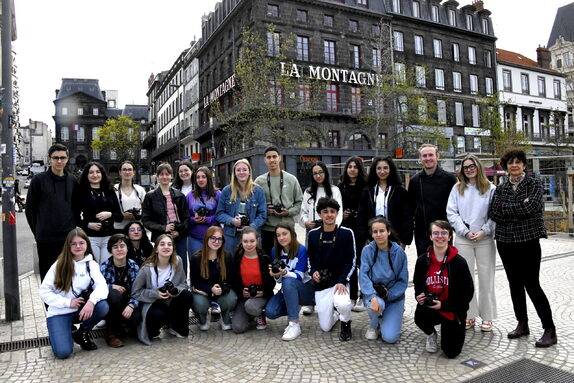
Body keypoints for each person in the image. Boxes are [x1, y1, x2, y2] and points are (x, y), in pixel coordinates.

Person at [488, 149, 557, 347]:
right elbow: (495, 213)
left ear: (524, 165)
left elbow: (531, 208)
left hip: (528, 241)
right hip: (506, 242)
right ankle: (522, 323)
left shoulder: (533, 184)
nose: (514, 165)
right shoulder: (500, 188)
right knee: (514, 284)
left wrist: (507, 208)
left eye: (518, 162)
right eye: (510, 162)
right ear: (506, 166)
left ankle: (549, 329)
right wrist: (517, 207)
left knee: (532, 284)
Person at [39, 228, 109, 359]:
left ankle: (82, 332)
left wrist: (91, 302)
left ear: (87, 244)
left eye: (81, 243)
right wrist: (67, 302)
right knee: (63, 352)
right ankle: (60, 332)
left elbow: (102, 286)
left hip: (81, 310)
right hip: (60, 311)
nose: (78, 246)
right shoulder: (59, 265)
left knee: (102, 306)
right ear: (68, 246)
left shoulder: (91, 264)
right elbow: (44, 292)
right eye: (74, 243)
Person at [447, 154, 497, 332]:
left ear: (478, 167)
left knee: (486, 277)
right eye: (465, 167)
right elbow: (452, 213)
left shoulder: (490, 189)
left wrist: (484, 231)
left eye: (472, 166)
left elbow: (494, 214)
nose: (469, 169)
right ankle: (469, 314)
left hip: (485, 238)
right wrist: (465, 232)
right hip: (464, 238)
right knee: (465, 279)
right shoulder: (457, 189)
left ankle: (488, 316)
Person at [413, 220, 473, 358]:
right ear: (430, 236)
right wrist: (419, 295)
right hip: (431, 307)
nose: (440, 236)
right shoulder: (423, 260)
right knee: (420, 315)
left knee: (451, 352)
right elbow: (417, 284)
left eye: (444, 233)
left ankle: (451, 330)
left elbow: (467, 294)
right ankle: (431, 333)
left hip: (452, 309)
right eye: (436, 233)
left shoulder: (459, 262)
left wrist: (445, 305)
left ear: (450, 237)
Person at [26, 143, 78, 281]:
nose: (59, 161)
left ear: (67, 159)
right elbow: (30, 209)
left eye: (62, 157)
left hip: (67, 238)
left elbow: (76, 208)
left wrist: (73, 228)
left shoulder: (72, 180)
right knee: (48, 277)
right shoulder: (38, 180)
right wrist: (38, 232)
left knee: (68, 275)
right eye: (56, 158)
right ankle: (49, 304)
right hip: (45, 239)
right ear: (49, 159)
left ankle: (67, 303)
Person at [307, 197, 355, 341]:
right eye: (325, 211)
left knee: (344, 304)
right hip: (321, 284)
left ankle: (345, 322)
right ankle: (335, 313)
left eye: (332, 211)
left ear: (337, 213)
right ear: (319, 214)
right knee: (326, 327)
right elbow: (310, 259)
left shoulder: (347, 233)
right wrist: (313, 271)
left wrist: (342, 281)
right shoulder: (313, 234)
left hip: (340, 282)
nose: (329, 215)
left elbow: (351, 261)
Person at [131, 234, 193, 345]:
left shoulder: (177, 262)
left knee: (187, 295)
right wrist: (155, 293)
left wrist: (175, 291)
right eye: (162, 244)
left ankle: (176, 327)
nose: (166, 247)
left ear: (173, 248)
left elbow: (183, 284)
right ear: (156, 249)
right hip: (152, 302)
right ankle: (154, 329)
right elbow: (135, 292)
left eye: (169, 244)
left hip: (170, 300)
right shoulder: (146, 269)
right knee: (157, 317)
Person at [360, 217, 408, 343]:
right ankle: (374, 325)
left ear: (389, 232)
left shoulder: (399, 253)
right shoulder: (367, 250)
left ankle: (394, 313)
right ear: (372, 234)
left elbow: (403, 281)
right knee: (377, 305)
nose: (379, 234)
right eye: (375, 232)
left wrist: (389, 294)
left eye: (382, 231)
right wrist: (372, 296)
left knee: (390, 338)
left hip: (394, 296)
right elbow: (363, 276)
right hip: (375, 295)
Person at [265, 222, 315, 341]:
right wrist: (275, 275)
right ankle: (293, 306)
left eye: (284, 234)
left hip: (306, 289)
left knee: (288, 281)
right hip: (288, 288)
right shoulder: (275, 251)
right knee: (270, 312)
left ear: (292, 234)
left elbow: (299, 276)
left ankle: (294, 324)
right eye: (278, 235)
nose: (281, 238)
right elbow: (279, 280)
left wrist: (284, 273)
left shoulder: (301, 249)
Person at [408, 144, 457, 255]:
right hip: (422, 234)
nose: (428, 158)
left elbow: (456, 206)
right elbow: (410, 208)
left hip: (443, 233)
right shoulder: (414, 181)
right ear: (420, 159)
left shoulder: (449, 179)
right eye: (424, 156)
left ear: (437, 156)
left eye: (431, 155)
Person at [254, 146, 303, 257]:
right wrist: (265, 210)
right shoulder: (259, 181)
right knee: (268, 263)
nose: (272, 160)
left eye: (274, 156)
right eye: (269, 157)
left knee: (289, 261)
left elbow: (300, 203)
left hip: (287, 229)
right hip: (267, 230)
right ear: (264, 160)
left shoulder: (291, 179)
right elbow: (253, 206)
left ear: (280, 158)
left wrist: (288, 212)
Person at [142, 163, 190, 275]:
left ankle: (181, 288)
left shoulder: (179, 195)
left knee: (181, 266)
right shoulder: (150, 196)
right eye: (161, 174)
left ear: (172, 176)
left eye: (167, 174)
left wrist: (179, 231)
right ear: (157, 176)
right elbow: (146, 220)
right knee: (163, 267)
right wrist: (164, 228)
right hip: (160, 238)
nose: (164, 177)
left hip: (179, 237)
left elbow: (186, 218)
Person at [73, 161, 123, 264]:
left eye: (98, 172)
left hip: (108, 237)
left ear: (102, 174)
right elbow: (74, 217)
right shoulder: (81, 192)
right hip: (90, 237)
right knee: (93, 267)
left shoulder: (110, 190)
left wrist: (110, 214)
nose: (95, 175)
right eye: (91, 172)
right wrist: (87, 224)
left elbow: (119, 216)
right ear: (86, 175)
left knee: (105, 268)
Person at [189, 226, 238, 331]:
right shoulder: (196, 258)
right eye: (213, 238)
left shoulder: (227, 256)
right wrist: (210, 289)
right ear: (207, 239)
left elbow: (230, 280)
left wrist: (220, 289)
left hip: (222, 291)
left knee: (231, 299)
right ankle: (203, 317)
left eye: (219, 239)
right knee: (199, 303)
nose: (216, 241)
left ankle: (225, 317)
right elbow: (195, 282)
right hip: (204, 292)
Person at [216, 159, 267, 254]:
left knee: (251, 265)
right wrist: (232, 221)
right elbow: (219, 214)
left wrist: (250, 227)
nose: (241, 172)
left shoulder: (258, 191)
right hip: (231, 236)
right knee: (231, 265)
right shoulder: (226, 191)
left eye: (244, 170)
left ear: (249, 172)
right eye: (238, 170)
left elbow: (262, 215)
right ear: (234, 173)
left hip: (252, 236)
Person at [100, 234, 141, 348]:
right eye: (115, 247)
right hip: (110, 303)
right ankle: (111, 333)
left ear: (127, 248)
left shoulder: (133, 266)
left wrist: (132, 305)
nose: (119, 250)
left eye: (122, 246)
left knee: (136, 318)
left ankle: (124, 326)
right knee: (114, 295)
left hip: (127, 302)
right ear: (110, 250)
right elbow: (96, 288)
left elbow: (138, 290)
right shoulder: (105, 266)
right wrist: (110, 287)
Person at [231, 227, 275, 333]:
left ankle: (260, 315)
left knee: (250, 306)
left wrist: (263, 292)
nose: (249, 244)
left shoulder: (264, 258)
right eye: (245, 241)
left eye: (252, 241)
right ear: (241, 242)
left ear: (257, 240)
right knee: (238, 328)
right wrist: (241, 291)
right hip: (244, 296)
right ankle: (250, 316)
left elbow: (271, 282)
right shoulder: (237, 257)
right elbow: (233, 280)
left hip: (261, 296)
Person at [337, 156, 367, 311]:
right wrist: (343, 214)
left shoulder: (366, 186)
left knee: (363, 263)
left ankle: (364, 295)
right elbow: (336, 206)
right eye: (350, 166)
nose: (352, 169)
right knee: (350, 262)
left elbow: (369, 208)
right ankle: (353, 294)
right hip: (346, 229)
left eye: (355, 167)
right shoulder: (340, 186)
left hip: (361, 229)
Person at [299, 161, 343, 231]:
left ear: (325, 173)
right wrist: (306, 222)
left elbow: (339, 212)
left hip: (331, 230)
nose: (318, 176)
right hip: (312, 231)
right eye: (315, 173)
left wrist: (333, 227)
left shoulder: (334, 190)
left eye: (320, 172)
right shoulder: (308, 192)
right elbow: (303, 211)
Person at [187, 166, 221, 255]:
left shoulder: (217, 194)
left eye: (203, 177)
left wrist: (208, 219)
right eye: (198, 177)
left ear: (208, 178)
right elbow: (184, 216)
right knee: (196, 266)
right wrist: (193, 219)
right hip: (195, 237)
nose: (200, 179)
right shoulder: (190, 196)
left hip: (214, 238)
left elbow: (222, 214)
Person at [114, 161, 146, 232]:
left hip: (136, 229)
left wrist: (139, 215)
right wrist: (121, 216)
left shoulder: (140, 190)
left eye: (129, 169)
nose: (127, 172)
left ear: (134, 172)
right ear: (120, 172)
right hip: (118, 229)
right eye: (124, 169)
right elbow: (108, 210)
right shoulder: (113, 189)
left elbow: (147, 209)